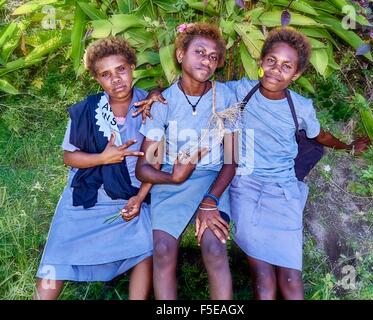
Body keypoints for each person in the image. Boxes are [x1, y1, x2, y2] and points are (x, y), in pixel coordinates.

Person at [222, 27, 370, 300]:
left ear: (297, 75)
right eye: (272, 62)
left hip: (284, 191)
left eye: (286, 66)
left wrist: (347, 147)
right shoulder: (241, 91)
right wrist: (157, 94)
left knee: (291, 279)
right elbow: (200, 88)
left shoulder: (300, 106)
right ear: (261, 62)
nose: (276, 70)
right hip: (246, 186)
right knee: (264, 279)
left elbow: (319, 135)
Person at [34, 36, 165, 300]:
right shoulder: (87, 110)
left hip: (130, 195)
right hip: (86, 194)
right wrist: (103, 158)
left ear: (132, 67)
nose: (116, 79)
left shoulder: (149, 105)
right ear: (96, 79)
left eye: (121, 69)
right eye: (106, 74)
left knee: (144, 247)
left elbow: (155, 159)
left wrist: (139, 198)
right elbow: (69, 158)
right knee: (57, 254)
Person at [135, 23, 238, 300]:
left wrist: (210, 200)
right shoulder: (162, 103)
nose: (207, 60)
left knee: (215, 248)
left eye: (214, 56)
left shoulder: (226, 97)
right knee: (164, 251)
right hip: (171, 176)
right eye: (199, 52)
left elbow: (232, 159)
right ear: (180, 55)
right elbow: (143, 167)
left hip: (212, 179)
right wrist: (174, 178)